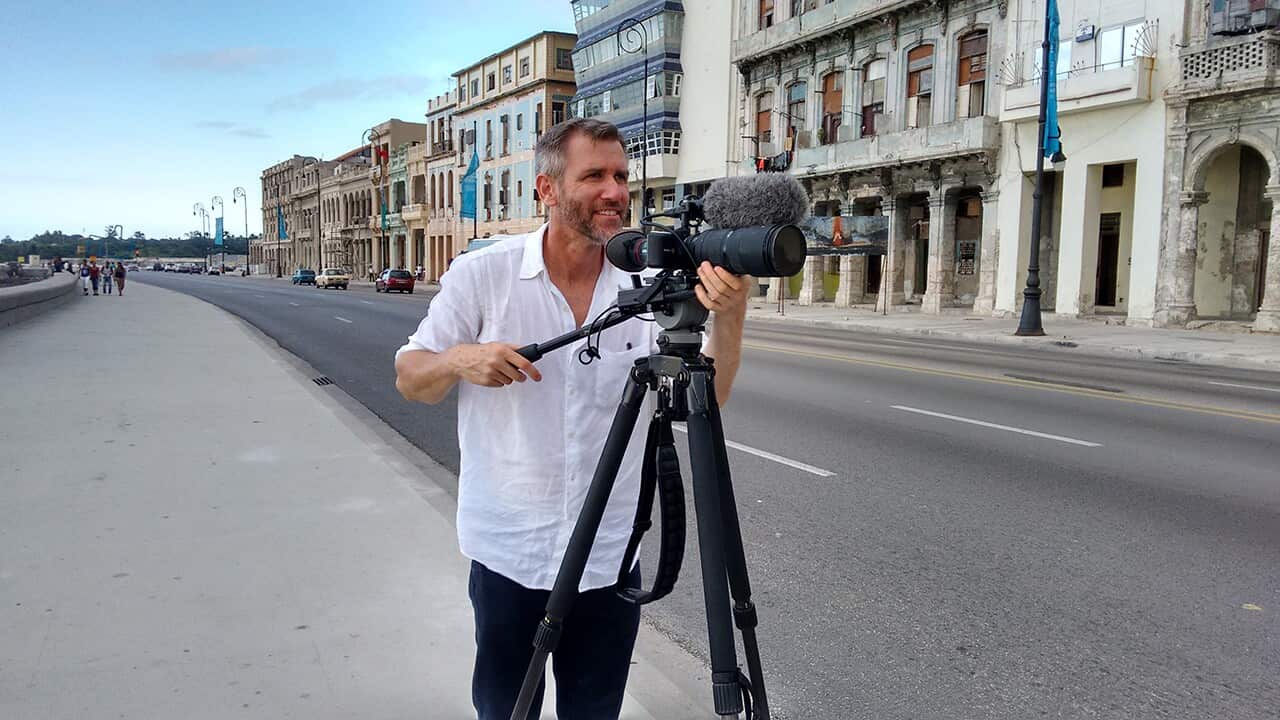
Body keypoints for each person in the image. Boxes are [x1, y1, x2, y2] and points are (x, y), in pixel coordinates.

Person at [393, 118, 750, 720]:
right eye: (594, 176)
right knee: (507, 710)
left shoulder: (649, 286)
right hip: (511, 552)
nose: (614, 191)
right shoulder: (484, 275)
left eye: (621, 177)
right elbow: (410, 379)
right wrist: (460, 359)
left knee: (595, 712)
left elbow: (705, 402)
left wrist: (732, 316)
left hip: (609, 558)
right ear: (548, 190)